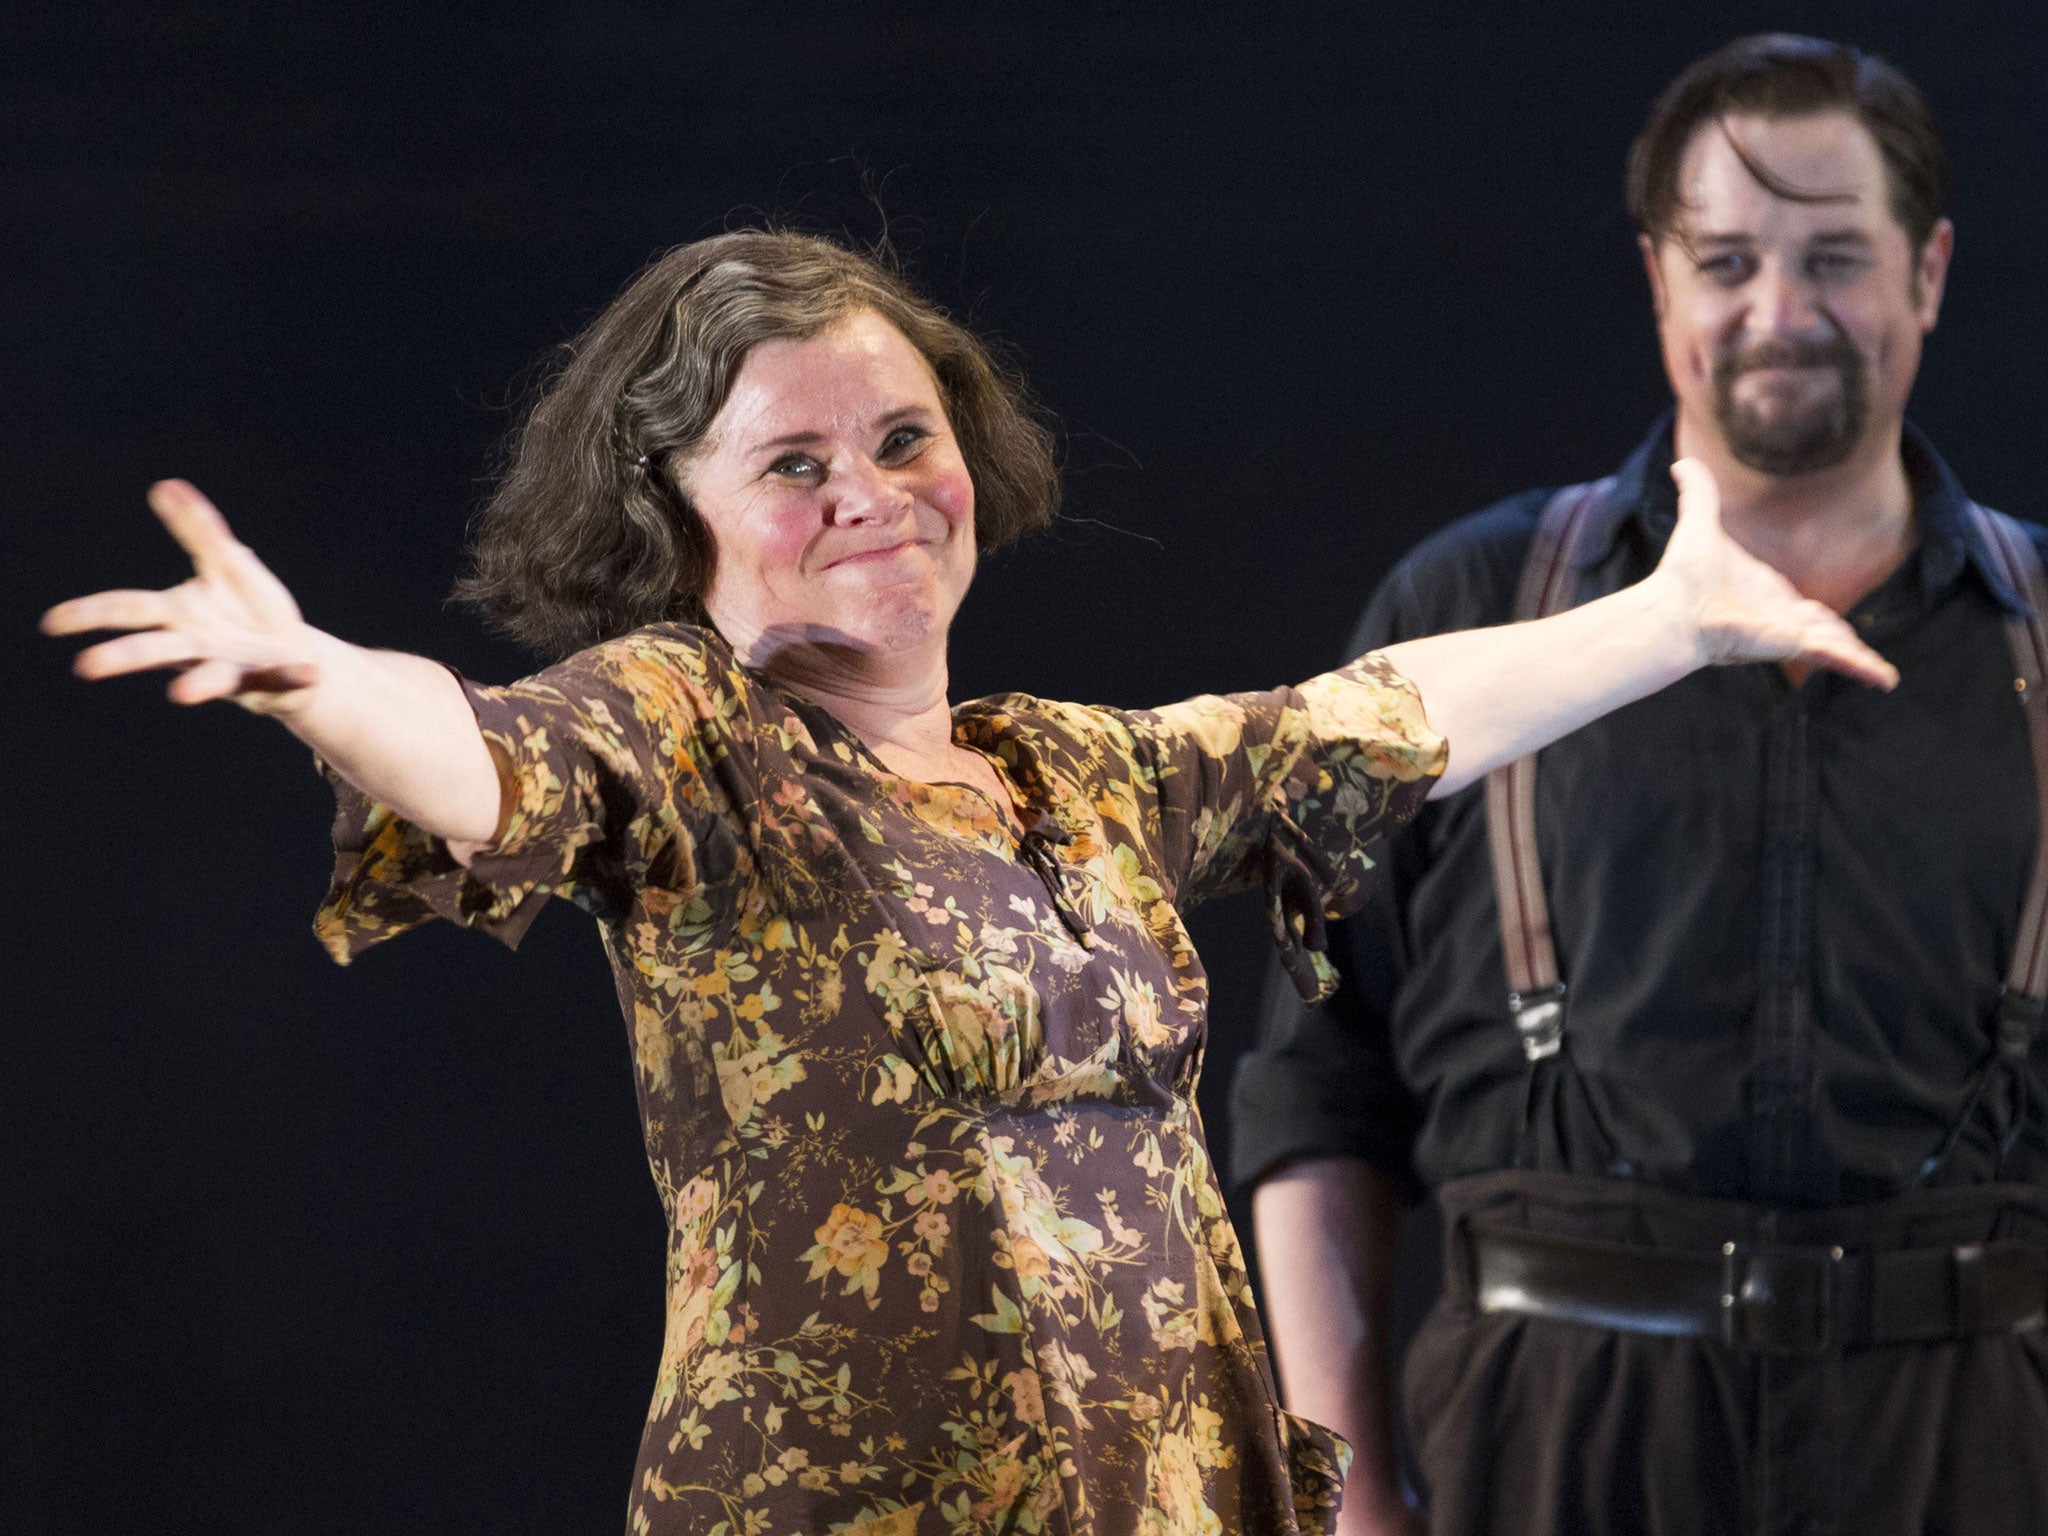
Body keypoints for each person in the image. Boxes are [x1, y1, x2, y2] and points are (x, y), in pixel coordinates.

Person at [42, 229, 1887, 1536]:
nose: (871, 489)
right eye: (792, 462)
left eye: (904, 437)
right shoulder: (692, 735)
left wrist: (1672, 619)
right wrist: (316, 681)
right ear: (671, 524)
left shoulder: (1070, 773)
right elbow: (485, 754)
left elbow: (1366, 720)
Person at [1234, 33, 2048, 1536]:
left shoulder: (2041, 640)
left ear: (1929, 273)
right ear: (1658, 280)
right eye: (1728, 259)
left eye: (1835, 257)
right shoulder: (1475, 610)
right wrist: (1343, 1502)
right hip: (1555, 1450)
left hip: (1974, 1446)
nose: (1781, 313)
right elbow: (1318, 1085)